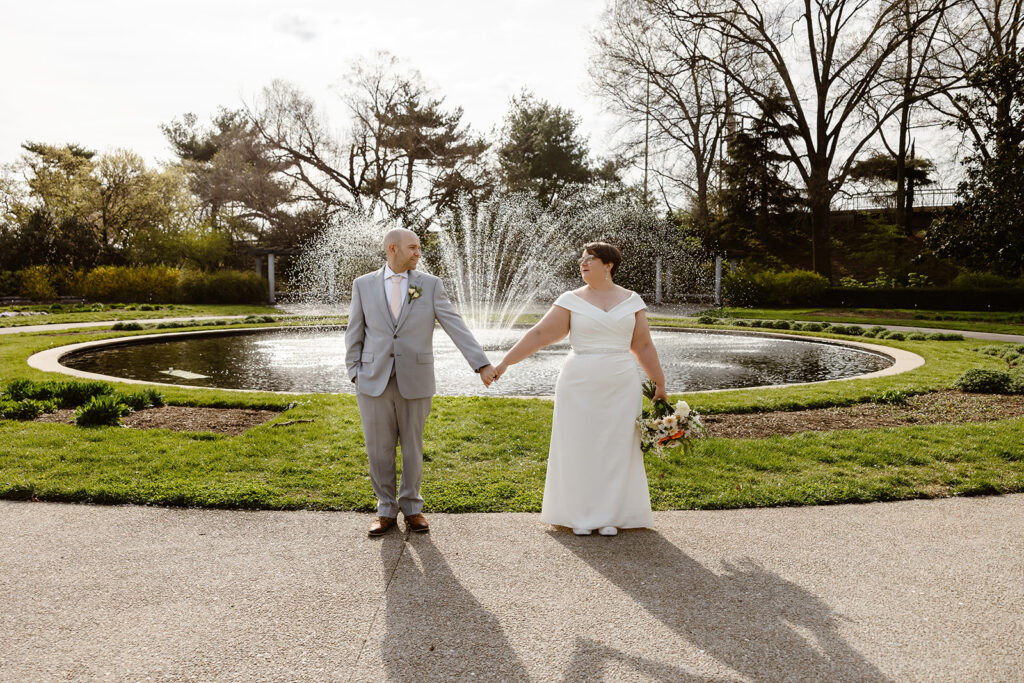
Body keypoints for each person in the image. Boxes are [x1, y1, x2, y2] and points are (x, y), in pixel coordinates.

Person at [493, 242, 666, 536]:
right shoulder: (571, 300)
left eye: (590, 259)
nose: (582, 263)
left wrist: (659, 384)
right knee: (579, 444)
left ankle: (612, 516)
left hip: (621, 382)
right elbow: (540, 334)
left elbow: (643, 345)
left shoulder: (633, 300)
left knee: (617, 447)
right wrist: (504, 363)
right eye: (581, 259)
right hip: (579, 381)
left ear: (608, 264)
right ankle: (580, 516)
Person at [346, 228, 497, 537]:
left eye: (418, 248)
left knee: (413, 447)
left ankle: (412, 508)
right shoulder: (363, 285)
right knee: (378, 449)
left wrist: (481, 363)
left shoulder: (430, 285)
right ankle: (385, 509)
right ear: (393, 249)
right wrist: (354, 371)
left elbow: (455, 324)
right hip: (372, 379)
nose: (418, 253)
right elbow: (355, 330)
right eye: (412, 248)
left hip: (416, 378)